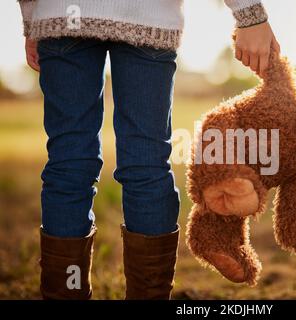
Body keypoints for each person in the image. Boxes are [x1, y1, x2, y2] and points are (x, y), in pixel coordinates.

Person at [18, 0, 280, 300]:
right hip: (147, 15)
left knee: (69, 164)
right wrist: (250, 15)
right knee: (146, 164)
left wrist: (33, 18)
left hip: (61, 14)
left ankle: (66, 293)